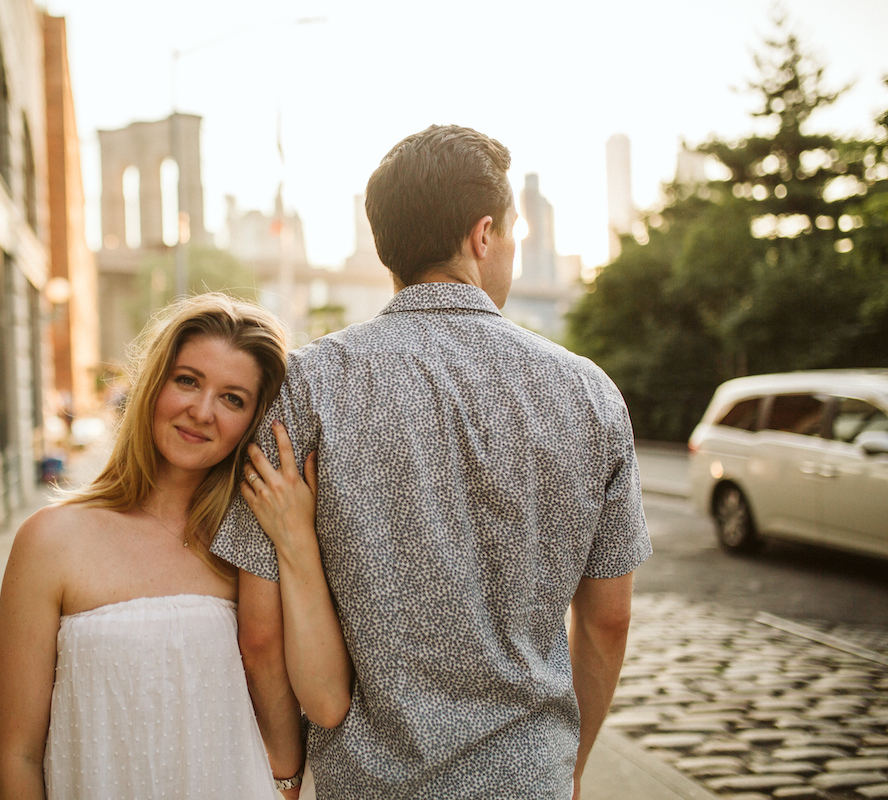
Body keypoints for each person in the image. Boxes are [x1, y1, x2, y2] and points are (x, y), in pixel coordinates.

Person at [212, 125, 653, 799]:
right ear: (482, 237)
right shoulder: (589, 393)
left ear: (389, 246)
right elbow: (608, 620)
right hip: (527, 781)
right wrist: (571, 768)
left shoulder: (304, 389)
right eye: (512, 234)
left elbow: (262, 636)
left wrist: (287, 773)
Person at [0, 292, 350, 800]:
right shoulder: (50, 541)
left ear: (253, 422)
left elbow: (325, 697)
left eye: (233, 398)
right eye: (187, 380)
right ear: (153, 384)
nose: (202, 411)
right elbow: (17, 756)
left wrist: (296, 540)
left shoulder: (253, 545)